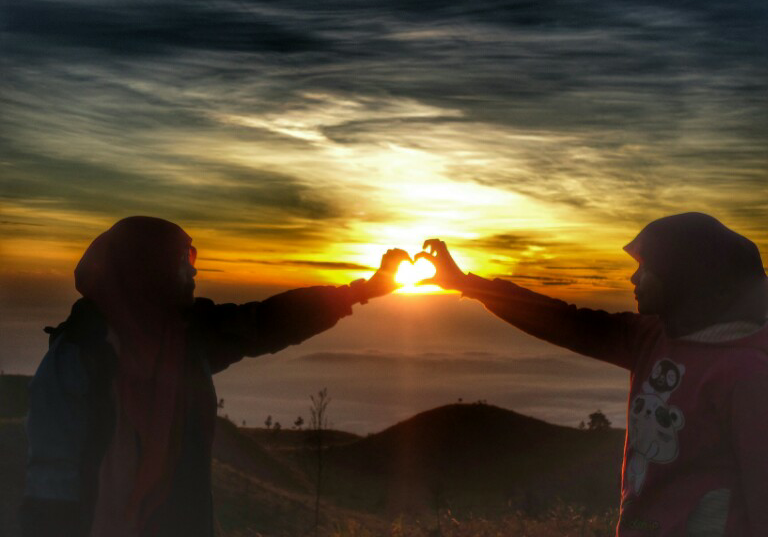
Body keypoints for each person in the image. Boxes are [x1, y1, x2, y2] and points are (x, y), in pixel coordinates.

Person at [21, 216, 411, 537]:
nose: (192, 273)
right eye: (181, 263)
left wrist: (362, 291)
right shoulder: (78, 355)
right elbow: (53, 482)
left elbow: (266, 322)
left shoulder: (184, 334)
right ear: (146, 268)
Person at [415, 213, 768, 536]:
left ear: (684, 276)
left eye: (647, 268)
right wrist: (465, 282)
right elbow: (563, 320)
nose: (634, 277)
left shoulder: (747, 373)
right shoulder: (651, 336)